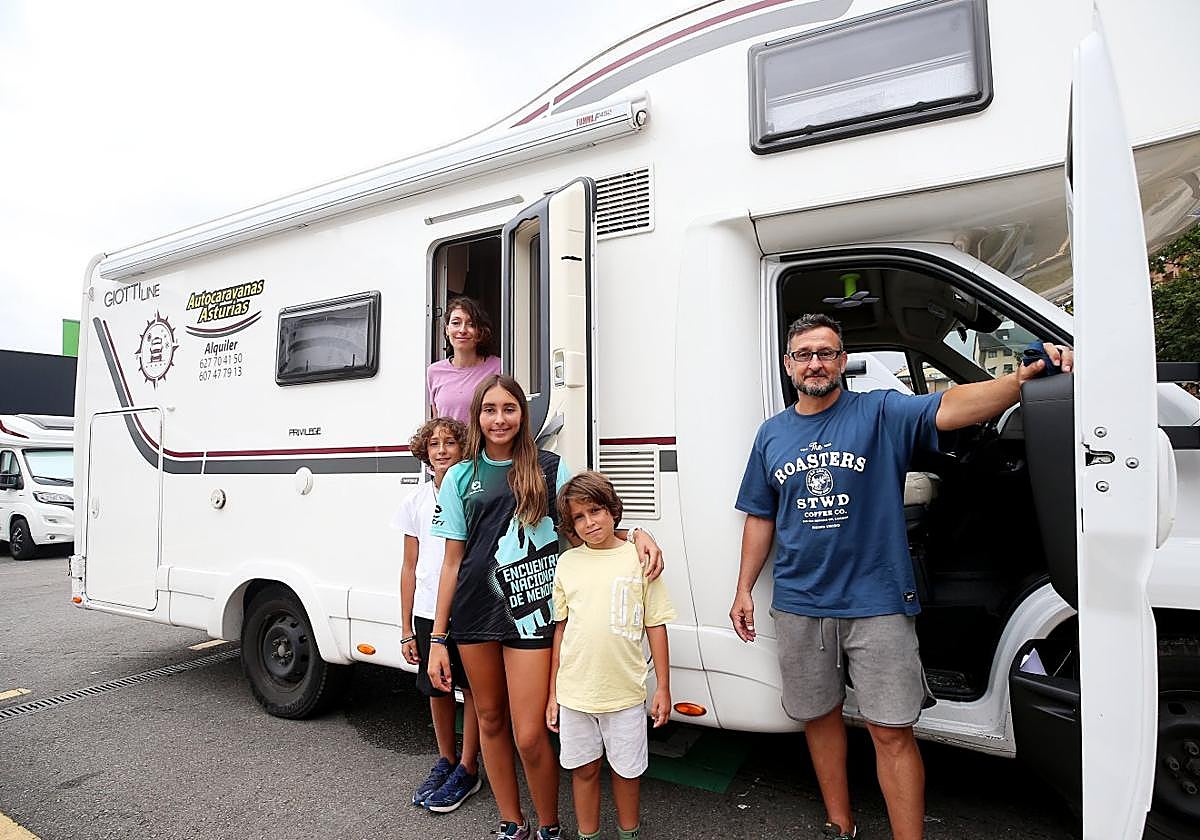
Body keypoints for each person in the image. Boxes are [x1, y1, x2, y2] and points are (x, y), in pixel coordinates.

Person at [729, 313, 1073, 840]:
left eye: (826, 352)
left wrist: (1016, 383)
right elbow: (761, 515)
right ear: (788, 364)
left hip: (878, 602)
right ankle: (839, 825)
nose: (815, 363)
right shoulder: (772, 434)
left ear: (842, 361)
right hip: (800, 602)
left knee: (891, 730)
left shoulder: (880, 411)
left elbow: (952, 406)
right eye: (804, 354)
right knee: (819, 720)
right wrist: (743, 589)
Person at [428, 374, 664, 840]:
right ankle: (512, 824)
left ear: (524, 415)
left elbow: (588, 519)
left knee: (531, 733)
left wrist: (638, 533)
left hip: (532, 608)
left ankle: (550, 826)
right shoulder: (459, 475)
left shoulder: (551, 467)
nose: (500, 419)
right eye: (490, 409)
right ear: (477, 415)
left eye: (509, 409)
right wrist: (438, 637)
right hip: (474, 612)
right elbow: (452, 560)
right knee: (489, 720)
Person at [546, 471, 675, 840]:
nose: (590, 523)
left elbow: (656, 624)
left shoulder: (638, 559)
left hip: (625, 694)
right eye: (579, 518)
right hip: (575, 693)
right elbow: (562, 629)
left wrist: (663, 687)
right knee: (583, 770)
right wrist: (554, 693)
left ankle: (628, 832)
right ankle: (588, 835)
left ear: (613, 510)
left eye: (596, 511)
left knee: (627, 771)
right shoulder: (568, 564)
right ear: (570, 526)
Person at [394, 416, 482, 812]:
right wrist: (406, 627)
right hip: (429, 611)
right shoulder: (414, 502)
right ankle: (446, 759)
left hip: (468, 611)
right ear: (424, 453)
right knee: (437, 689)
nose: (442, 449)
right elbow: (409, 567)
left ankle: (468, 767)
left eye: (450, 442)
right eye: (434, 444)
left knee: (474, 691)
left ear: (464, 449)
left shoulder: (473, 495)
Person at [426, 296, 502, 423]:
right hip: (452, 443)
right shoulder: (434, 372)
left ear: (479, 332)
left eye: (471, 324)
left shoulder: (499, 367)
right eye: (456, 323)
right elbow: (438, 424)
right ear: (447, 330)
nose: (462, 330)